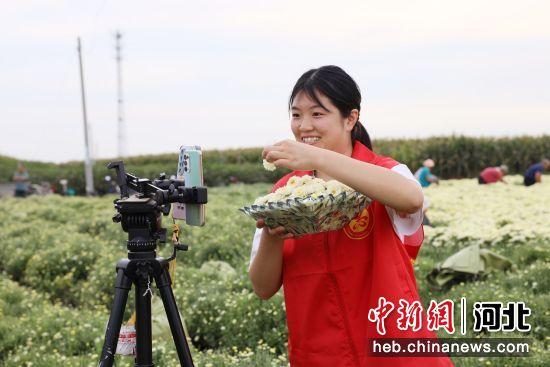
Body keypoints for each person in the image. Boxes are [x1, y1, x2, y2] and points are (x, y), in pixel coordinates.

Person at [248, 66, 453, 367]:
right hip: (321, 354)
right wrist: (272, 231)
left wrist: (316, 156)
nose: (304, 126)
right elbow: (262, 287)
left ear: (351, 118)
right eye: (296, 115)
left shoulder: (384, 171)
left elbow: (412, 198)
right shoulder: (284, 193)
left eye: (317, 114)